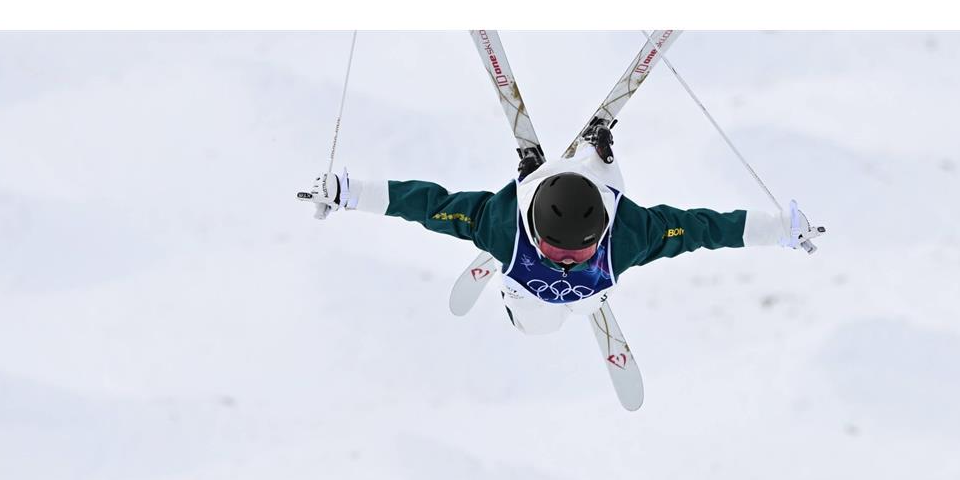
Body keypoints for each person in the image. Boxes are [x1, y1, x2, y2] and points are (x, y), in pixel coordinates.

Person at [301, 125, 824, 335]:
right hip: (573, 230)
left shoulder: (501, 231)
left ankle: (550, 171)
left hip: (538, 244)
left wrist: (351, 193)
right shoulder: (627, 240)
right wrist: (779, 228)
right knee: (559, 297)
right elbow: (703, 229)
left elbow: (429, 206)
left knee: (542, 294)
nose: (567, 257)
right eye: (557, 248)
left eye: (574, 248)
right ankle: (591, 164)